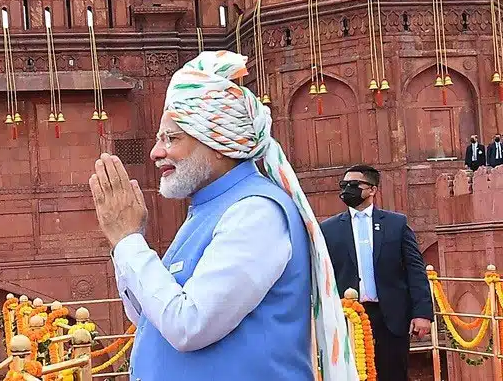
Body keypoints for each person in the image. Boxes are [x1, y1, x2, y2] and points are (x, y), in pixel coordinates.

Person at [89, 51, 356, 381]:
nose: (156, 153)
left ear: (218, 143)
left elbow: (189, 324)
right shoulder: (208, 209)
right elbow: (149, 314)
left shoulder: (255, 211)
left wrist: (129, 241)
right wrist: (126, 244)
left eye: (171, 138)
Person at [321, 165, 432, 381]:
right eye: (344, 185)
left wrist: (422, 314)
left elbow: (415, 270)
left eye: (354, 185)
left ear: (372, 189)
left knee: (393, 374)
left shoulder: (395, 224)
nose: (347, 190)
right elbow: (324, 274)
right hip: (348, 316)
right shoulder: (329, 228)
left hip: (390, 315)